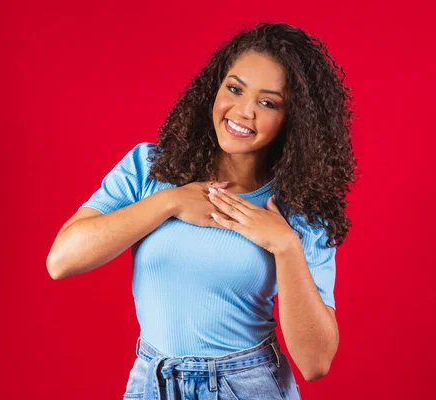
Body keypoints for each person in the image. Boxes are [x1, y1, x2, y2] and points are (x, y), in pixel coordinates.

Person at [47, 21, 358, 400]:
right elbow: (61, 260)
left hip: (246, 384)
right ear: (215, 88)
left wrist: (285, 245)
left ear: (294, 119)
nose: (243, 112)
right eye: (234, 89)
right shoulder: (150, 169)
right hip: (152, 384)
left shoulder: (299, 207)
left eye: (268, 102)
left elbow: (315, 363)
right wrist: (170, 202)